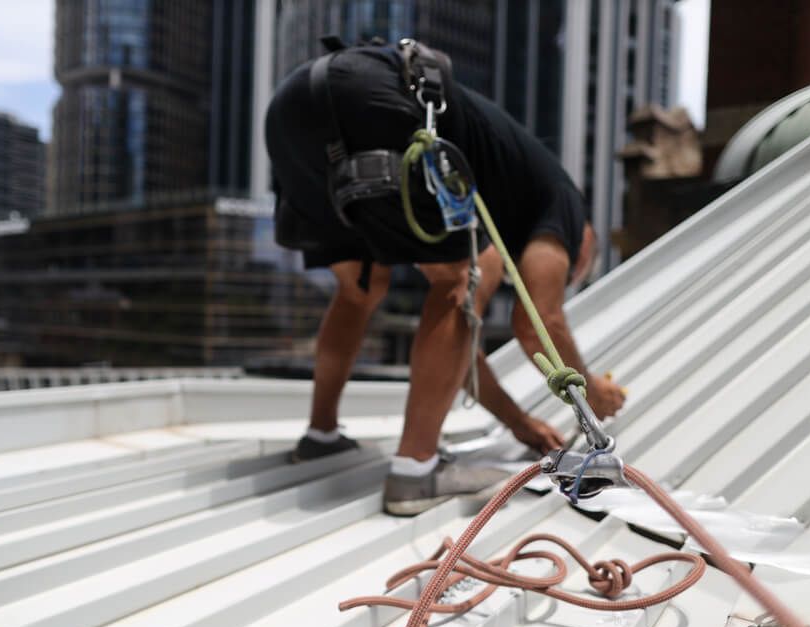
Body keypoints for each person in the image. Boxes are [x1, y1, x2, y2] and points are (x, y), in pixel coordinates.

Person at [266, 40, 626, 516]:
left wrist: (519, 422)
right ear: (585, 243)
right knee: (471, 273)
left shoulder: (510, 192)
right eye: (576, 269)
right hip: (377, 102)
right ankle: (415, 471)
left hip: (294, 110)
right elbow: (538, 320)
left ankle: (321, 435)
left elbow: (461, 356)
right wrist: (594, 393)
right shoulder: (563, 202)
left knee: (361, 289)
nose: (567, 273)